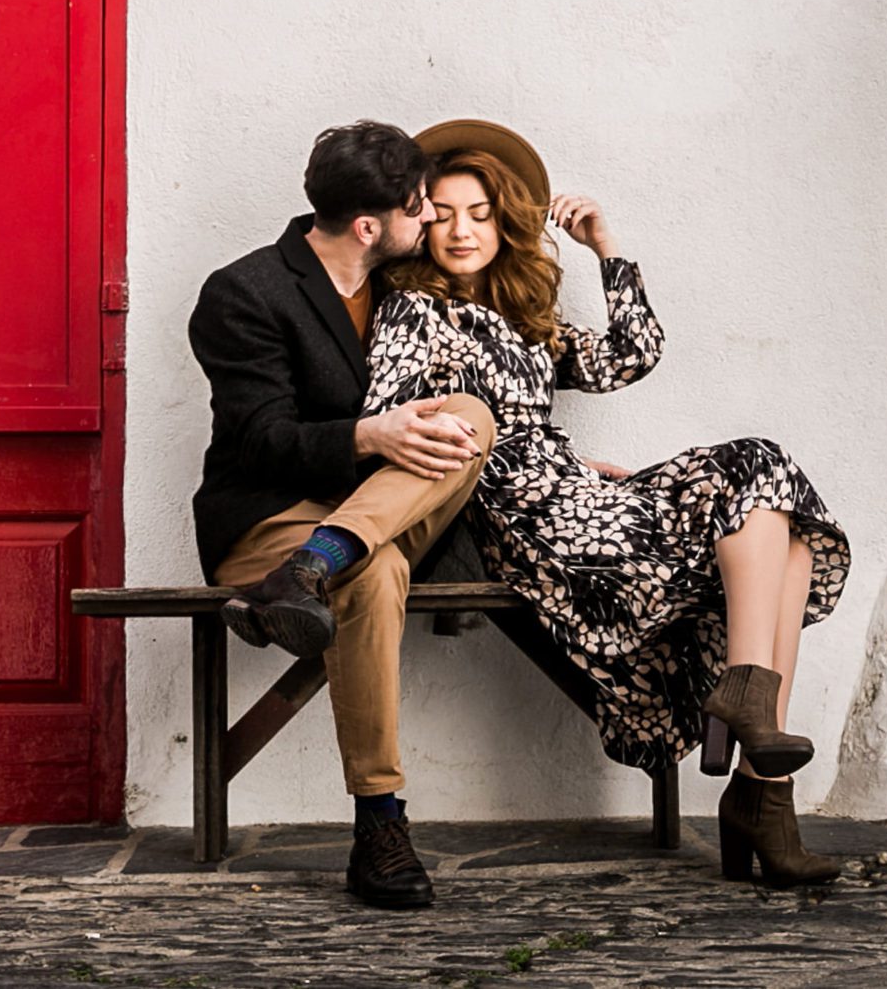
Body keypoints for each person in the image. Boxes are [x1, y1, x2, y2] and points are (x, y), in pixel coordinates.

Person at [363, 119, 853, 889]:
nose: (463, 230)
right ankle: (763, 781)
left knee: (773, 507)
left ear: (505, 222)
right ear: (422, 222)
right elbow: (398, 423)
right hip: (531, 522)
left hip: (580, 497)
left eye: (481, 214)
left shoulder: (524, 314)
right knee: (761, 490)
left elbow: (633, 352)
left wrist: (606, 245)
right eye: (446, 213)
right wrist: (515, 458)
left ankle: (758, 757)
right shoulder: (412, 309)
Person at [188, 121, 498, 910]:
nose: (431, 219)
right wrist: (372, 432)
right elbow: (260, 439)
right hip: (270, 517)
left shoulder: (411, 285)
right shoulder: (245, 291)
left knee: (472, 412)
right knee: (377, 566)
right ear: (370, 224)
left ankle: (322, 558)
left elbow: (504, 368)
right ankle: (380, 823)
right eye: (420, 206)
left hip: (389, 508)